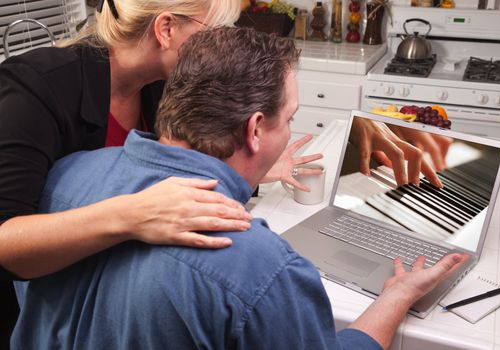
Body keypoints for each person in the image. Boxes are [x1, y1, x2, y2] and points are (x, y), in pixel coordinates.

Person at [12, 27, 468, 350]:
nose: (289, 130)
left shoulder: (65, 177)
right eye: (289, 119)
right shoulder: (262, 268)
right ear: (254, 130)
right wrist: (397, 296)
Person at [0, 0, 323, 346]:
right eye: (214, 31)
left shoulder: (160, 84)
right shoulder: (36, 89)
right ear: (166, 28)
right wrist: (133, 214)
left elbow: (176, 160)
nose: (222, 44)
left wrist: (254, 165)